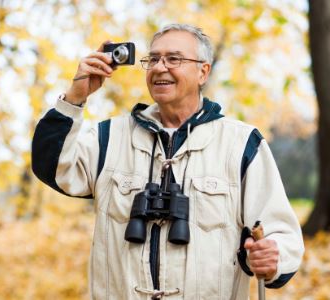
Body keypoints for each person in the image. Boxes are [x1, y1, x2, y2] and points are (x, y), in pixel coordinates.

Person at [32, 23, 304, 300]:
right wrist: (75, 97)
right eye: (153, 59)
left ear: (203, 71)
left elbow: (281, 232)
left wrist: (273, 257)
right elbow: (52, 167)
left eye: (174, 59)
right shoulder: (109, 137)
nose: (160, 67)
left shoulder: (242, 143)